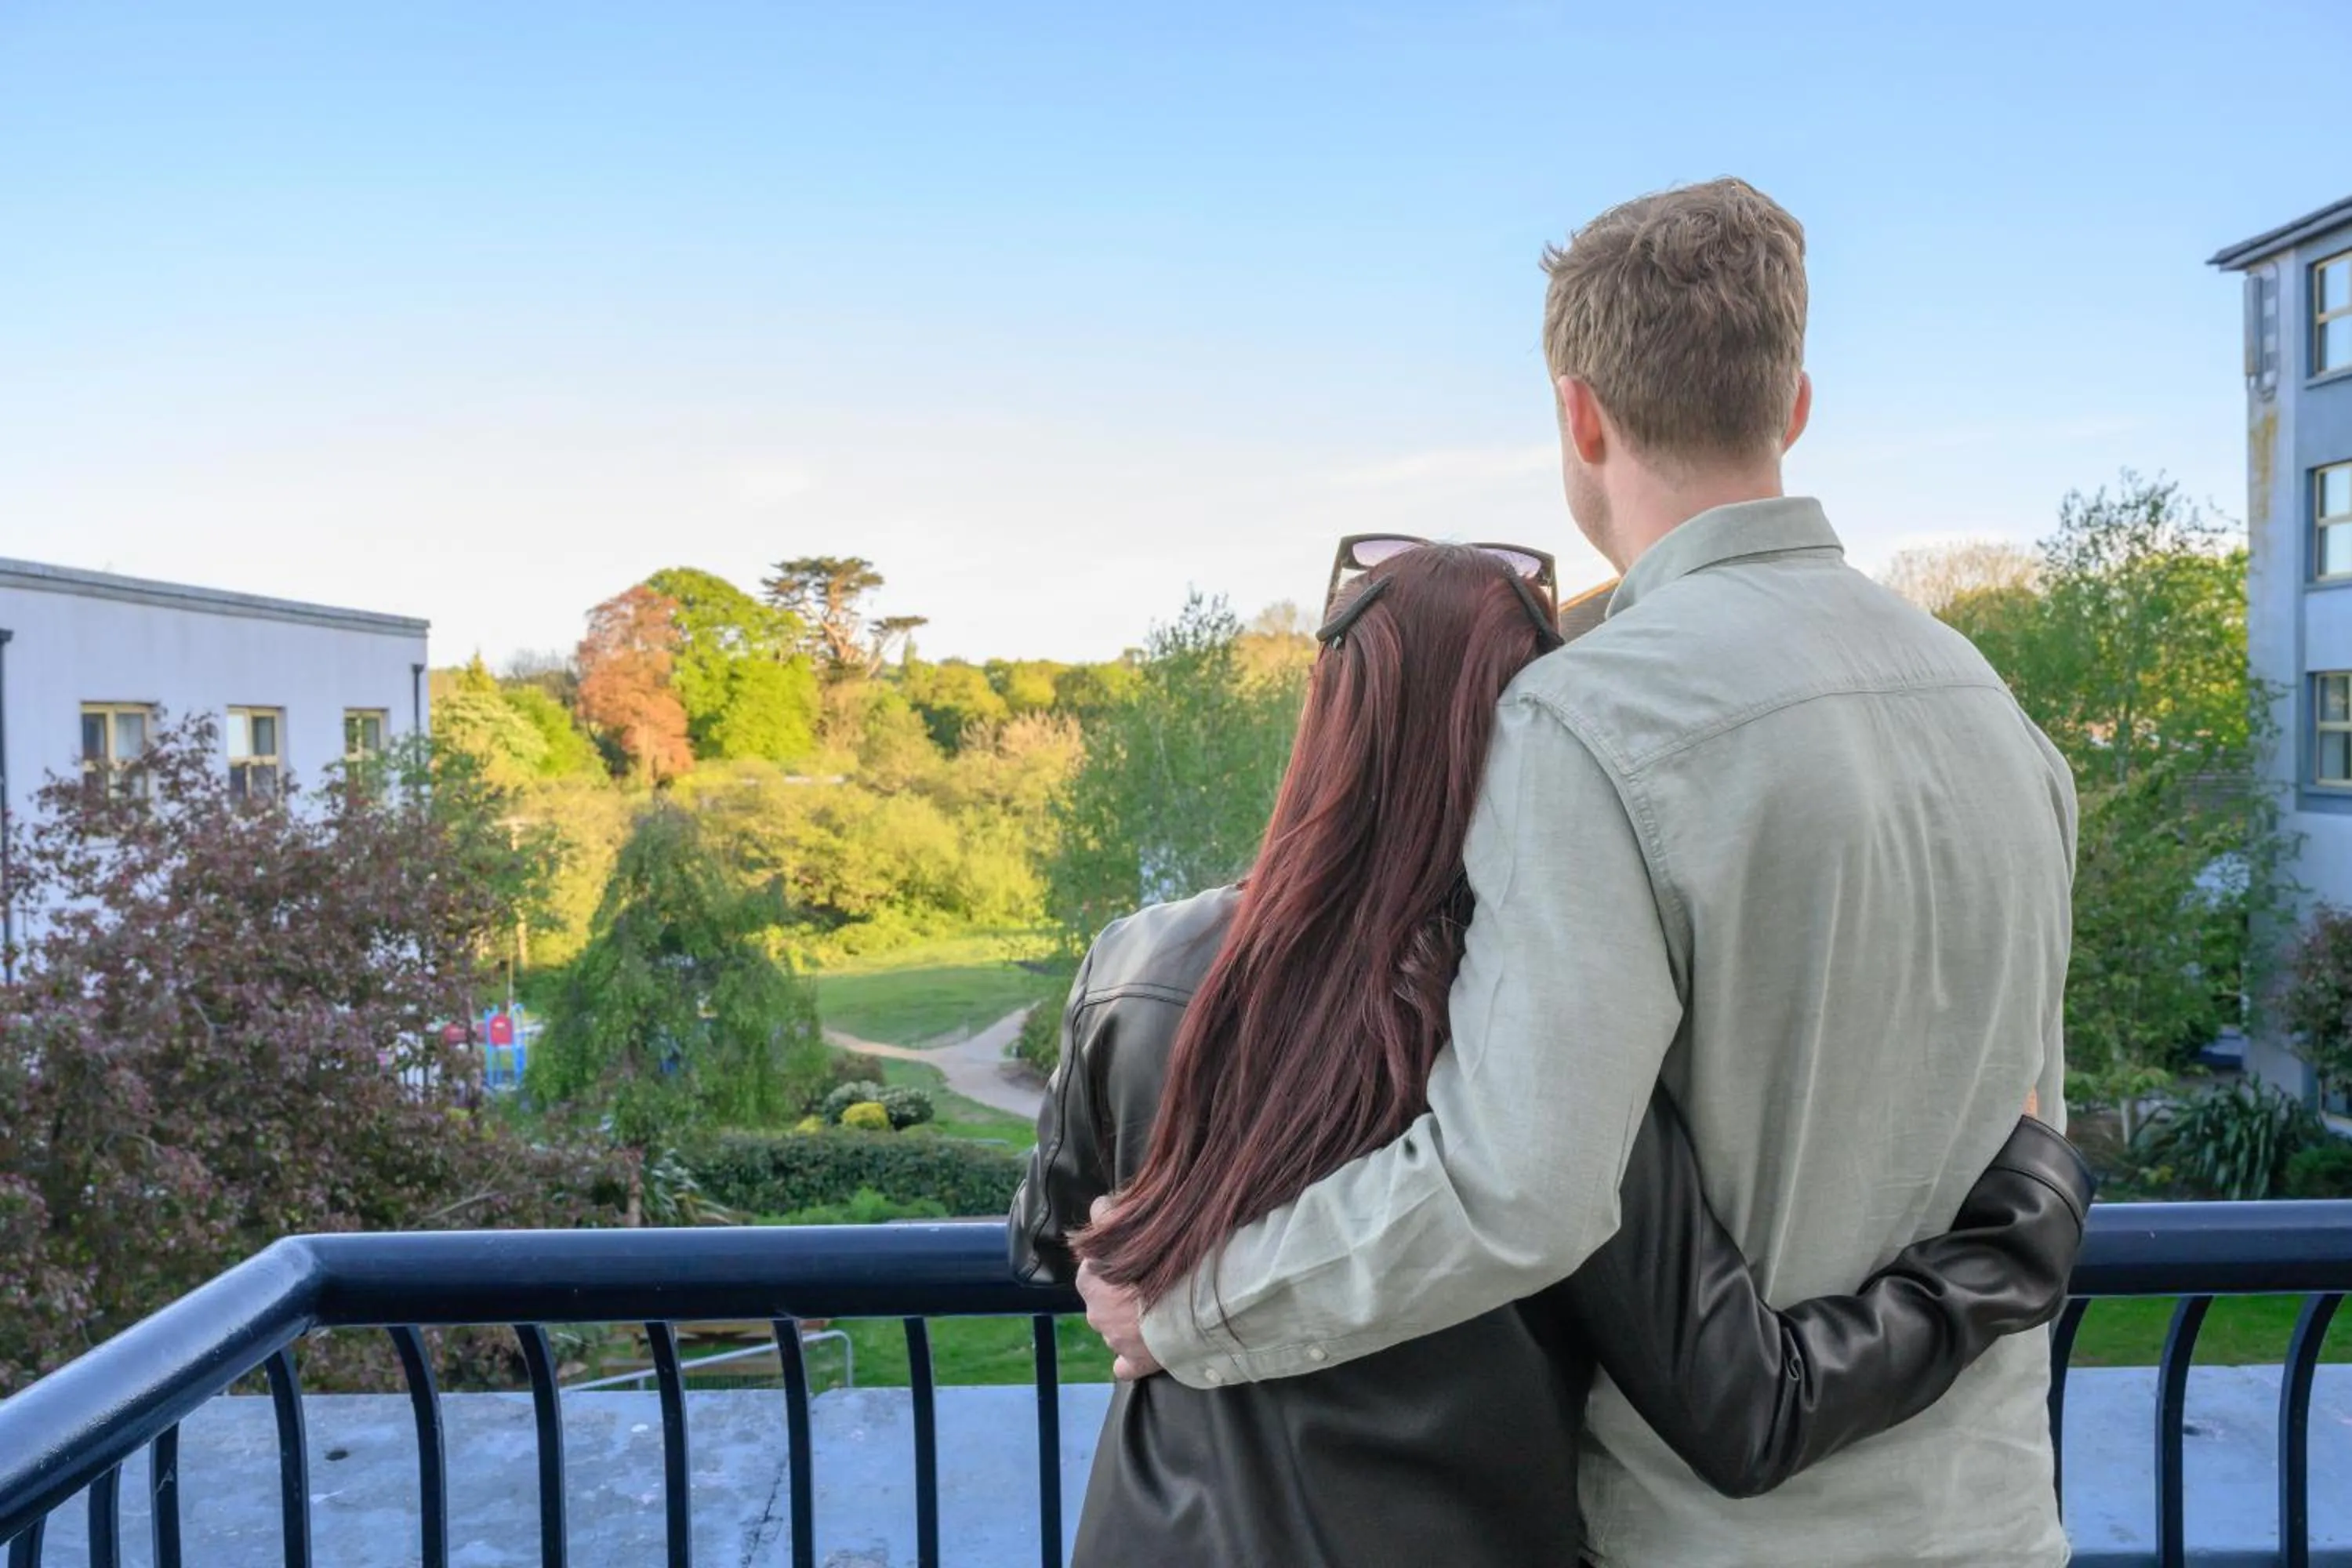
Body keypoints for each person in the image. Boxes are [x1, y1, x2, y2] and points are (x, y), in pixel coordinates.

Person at [1076, 180, 2080, 1566]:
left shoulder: (1588, 722)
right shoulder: (1996, 714)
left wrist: (1189, 1308)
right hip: (1999, 1522)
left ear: (1580, 415)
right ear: (1793, 405)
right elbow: (2022, 1127)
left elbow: (1519, 1190)